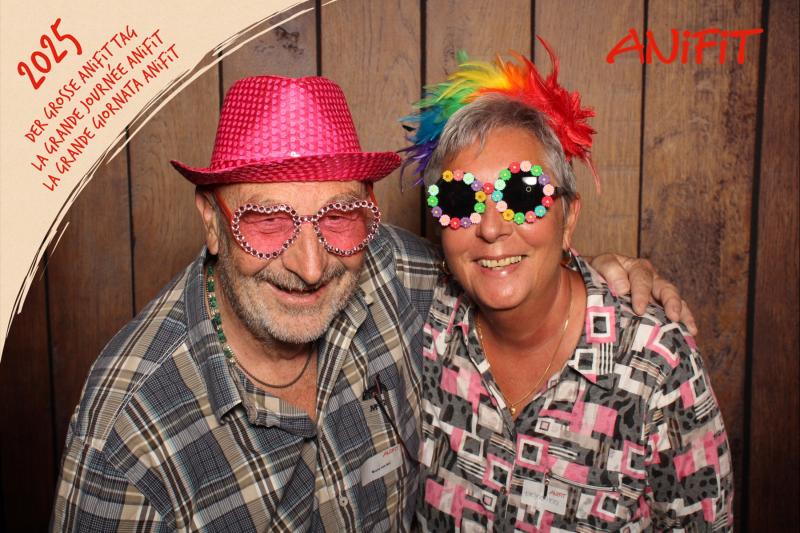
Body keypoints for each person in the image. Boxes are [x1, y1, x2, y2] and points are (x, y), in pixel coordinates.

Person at [51, 75, 691, 532]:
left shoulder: (388, 274)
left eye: (338, 216)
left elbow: (497, 259)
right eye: (266, 222)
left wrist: (598, 271)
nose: (311, 268)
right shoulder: (126, 436)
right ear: (212, 223)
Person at [403, 42, 733, 531]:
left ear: (568, 217)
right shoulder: (418, 319)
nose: (491, 228)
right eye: (459, 199)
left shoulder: (657, 364)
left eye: (522, 194)